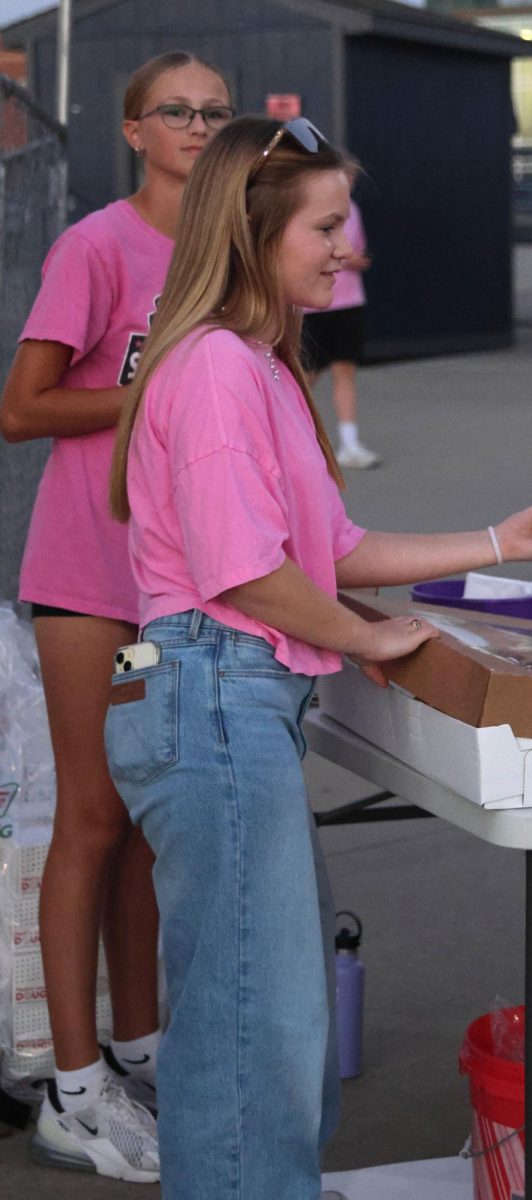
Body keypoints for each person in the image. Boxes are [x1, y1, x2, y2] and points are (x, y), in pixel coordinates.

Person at [104, 114, 532, 1200]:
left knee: (270, 1011)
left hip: (220, 698)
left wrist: (500, 540)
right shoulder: (223, 368)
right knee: (253, 1027)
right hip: (213, 694)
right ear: (253, 231)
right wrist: (366, 634)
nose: (346, 249)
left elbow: (328, 552)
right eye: (327, 228)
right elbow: (244, 572)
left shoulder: (260, 367)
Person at [0, 51, 234, 1182]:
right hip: (87, 573)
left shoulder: (228, 252)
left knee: (147, 819)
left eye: (215, 112)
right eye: (177, 111)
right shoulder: (97, 246)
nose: (198, 125)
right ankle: (74, 1089)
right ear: (135, 130)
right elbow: (22, 407)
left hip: (179, 576)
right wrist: (147, 393)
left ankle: (138, 1052)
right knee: (90, 818)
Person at [302, 158, 380, 468]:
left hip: (349, 301)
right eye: (342, 178)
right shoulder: (308, 211)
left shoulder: (354, 211)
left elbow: (353, 249)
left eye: (351, 180)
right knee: (305, 374)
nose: (347, 185)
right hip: (314, 306)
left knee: (344, 369)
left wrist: (357, 260)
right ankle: (289, 435)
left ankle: (349, 444)